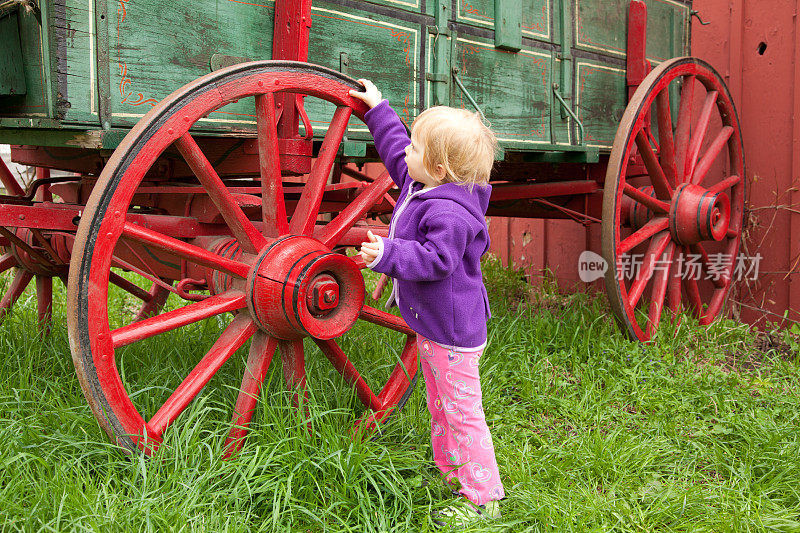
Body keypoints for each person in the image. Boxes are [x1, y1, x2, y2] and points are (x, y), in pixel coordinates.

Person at [349, 79, 505, 527]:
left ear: (436, 167)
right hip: (435, 326)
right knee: (442, 407)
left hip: (453, 334)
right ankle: (454, 476)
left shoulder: (450, 213)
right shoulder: (425, 184)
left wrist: (386, 255)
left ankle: (483, 497)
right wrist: (378, 108)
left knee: (461, 412)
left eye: (418, 147)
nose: (407, 154)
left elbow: (437, 261)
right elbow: (398, 151)